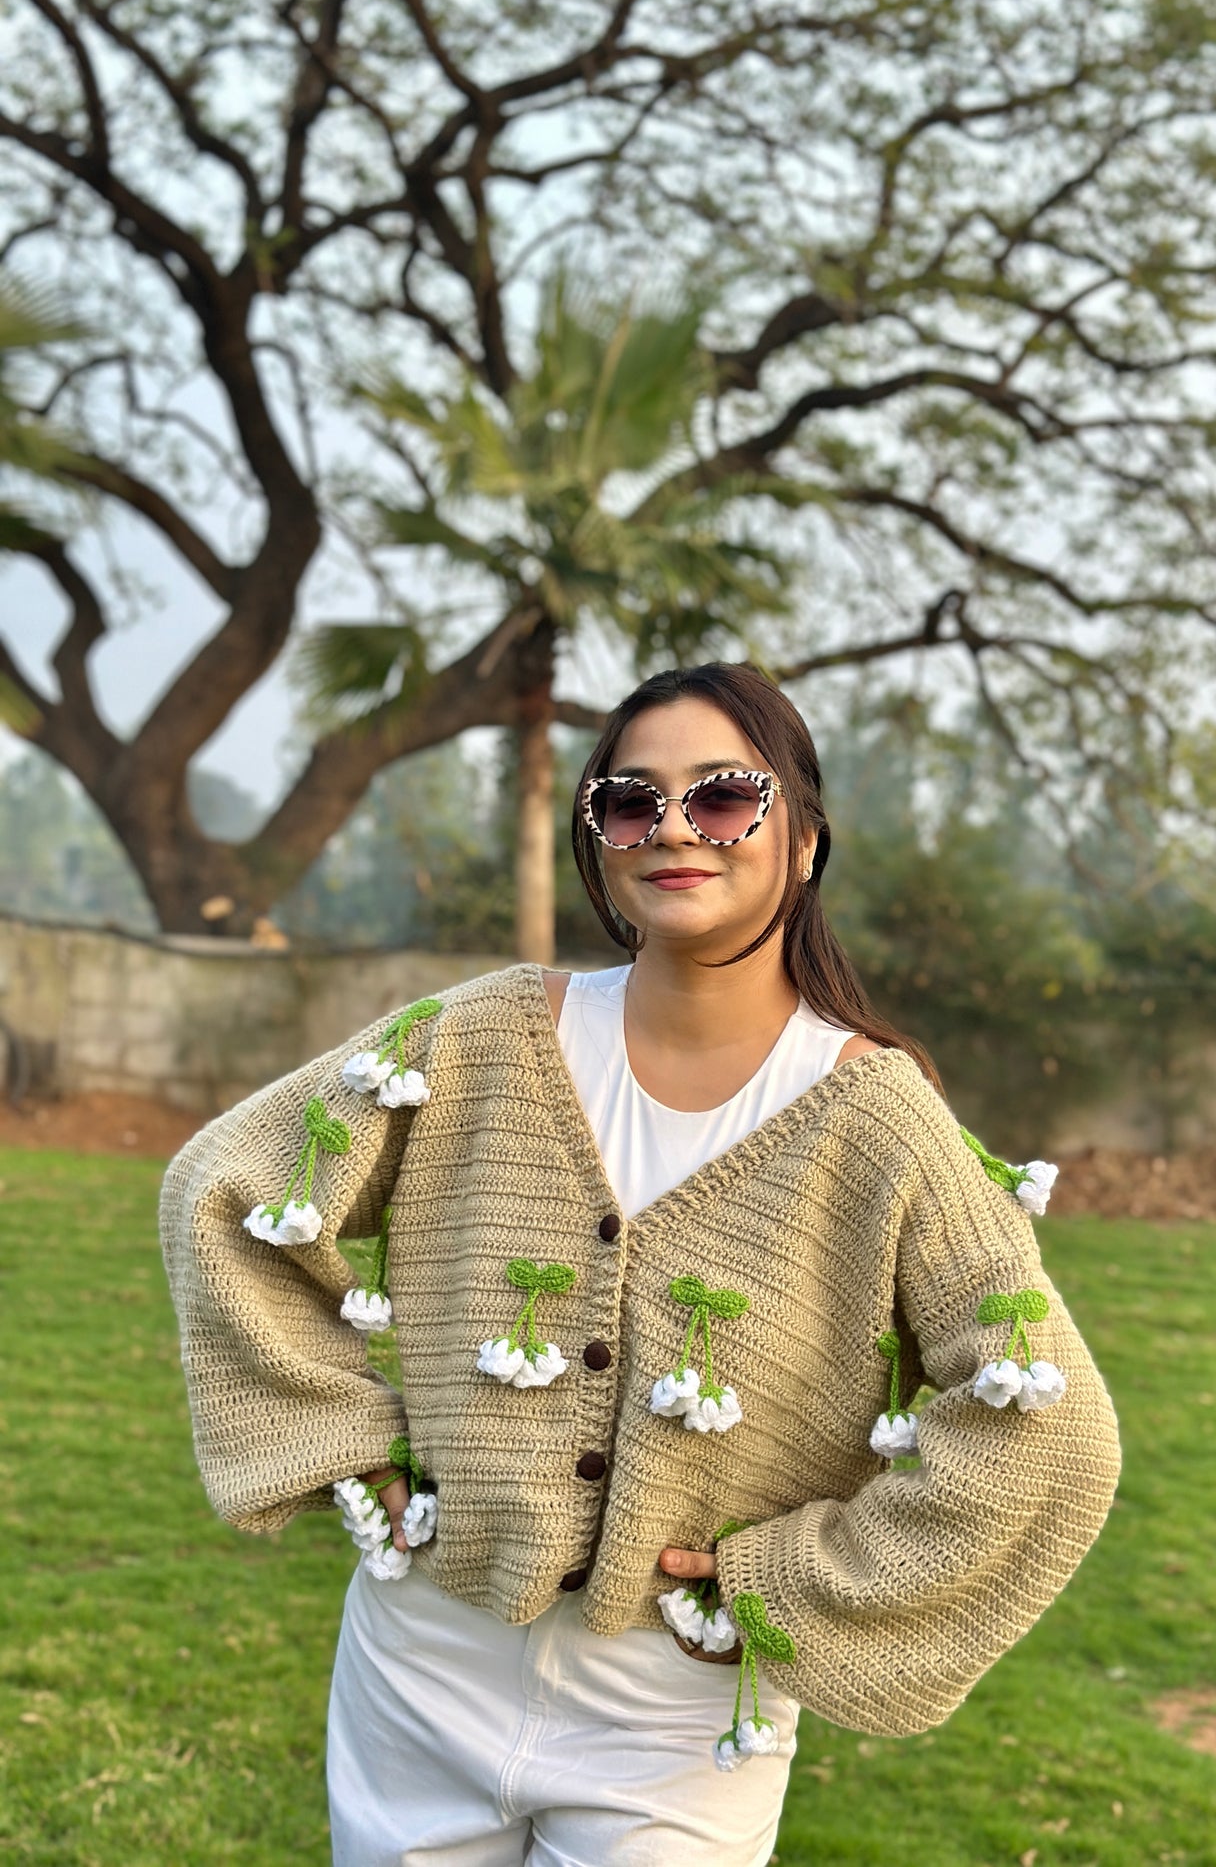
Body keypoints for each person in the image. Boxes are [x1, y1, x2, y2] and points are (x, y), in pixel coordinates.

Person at [159, 661, 1121, 1867]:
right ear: (599, 839)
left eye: (722, 796)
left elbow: (1051, 1431)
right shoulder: (479, 1036)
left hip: (674, 1709)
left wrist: (794, 1580)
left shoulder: (877, 1119)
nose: (671, 827)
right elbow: (225, 1186)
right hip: (421, 1656)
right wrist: (342, 1440)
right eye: (629, 801)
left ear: (804, 839)